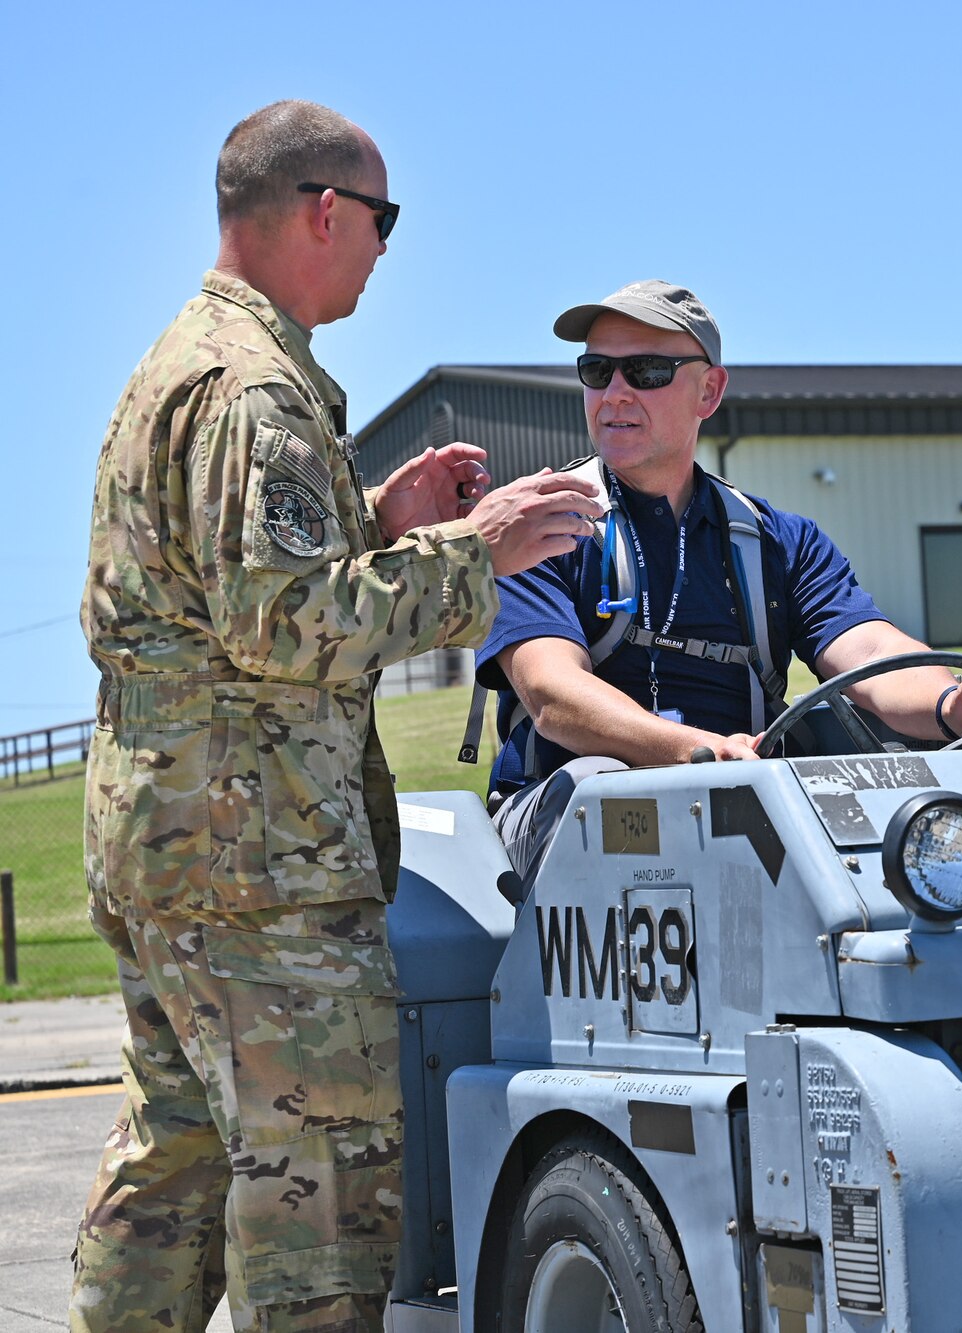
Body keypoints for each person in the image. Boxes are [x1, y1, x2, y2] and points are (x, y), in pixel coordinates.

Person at [74, 101, 601, 1333]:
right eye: (381, 220)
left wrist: (378, 517)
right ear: (324, 211)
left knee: (179, 1169)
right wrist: (481, 549)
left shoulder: (191, 360)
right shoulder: (254, 388)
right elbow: (286, 627)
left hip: (173, 848)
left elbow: (224, 593)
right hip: (258, 868)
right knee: (316, 1199)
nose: (382, 247)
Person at [478, 280, 962, 875]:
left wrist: (955, 703)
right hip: (570, 806)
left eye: (644, 370)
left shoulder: (777, 539)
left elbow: (871, 651)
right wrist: (696, 754)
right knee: (616, 794)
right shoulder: (534, 527)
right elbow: (552, 695)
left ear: (710, 391)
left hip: (740, 805)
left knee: (894, 769)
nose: (614, 393)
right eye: (597, 370)